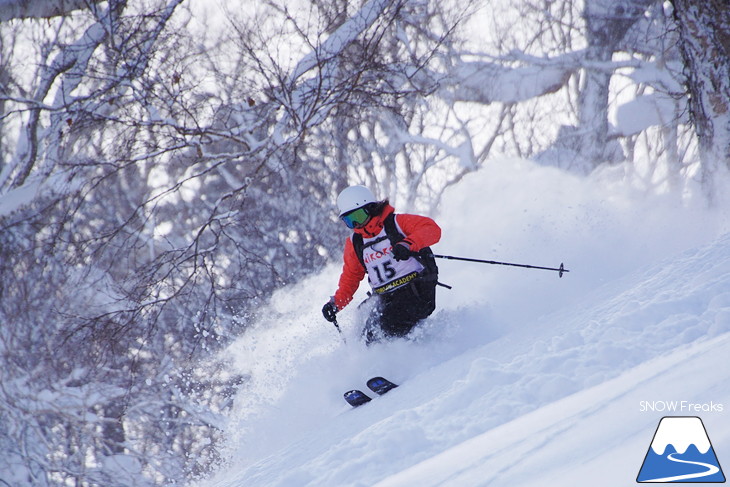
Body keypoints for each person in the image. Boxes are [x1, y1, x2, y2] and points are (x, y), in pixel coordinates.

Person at [322, 185, 442, 342]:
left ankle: (411, 354)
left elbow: (431, 229)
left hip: (415, 289)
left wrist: (408, 244)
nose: (357, 224)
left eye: (358, 216)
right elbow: (350, 277)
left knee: (385, 329)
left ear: (371, 208)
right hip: (385, 296)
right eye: (350, 221)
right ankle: (381, 361)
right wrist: (336, 304)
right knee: (366, 335)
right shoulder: (356, 242)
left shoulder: (396, 224)